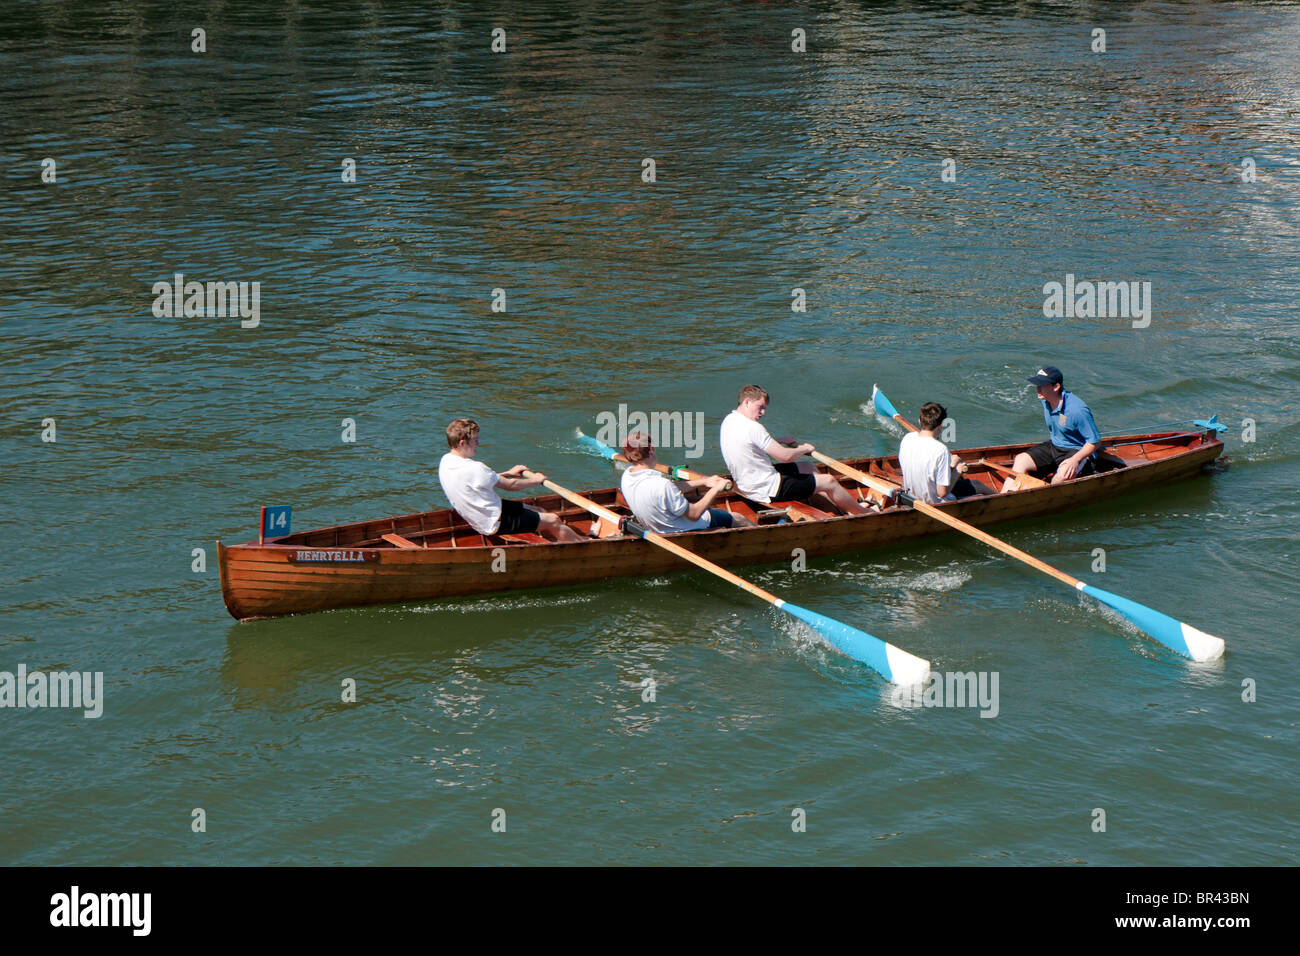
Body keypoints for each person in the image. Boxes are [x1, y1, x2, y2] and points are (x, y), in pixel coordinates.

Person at [719, 385, 871, 515]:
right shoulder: (753, 427)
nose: (763, 412)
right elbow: (785, 457)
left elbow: (749, 446)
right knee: (829, 481)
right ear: (747, 402)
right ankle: (863, 512)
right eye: (761, 407)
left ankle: (841, 505)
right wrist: (804, 448)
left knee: (808, 467)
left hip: (747, 482)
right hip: (767, 488)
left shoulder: (729, 420)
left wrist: (779, 441)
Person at [438, 418, 582, 542]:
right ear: (463, 443)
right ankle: (584, 542)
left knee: (539, 510)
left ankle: (558, 542)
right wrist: (537, 480)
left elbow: (479, 480)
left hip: (483, 516)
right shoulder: (476, 468)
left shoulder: (446, 462)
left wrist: (509, 472)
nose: (478, 444)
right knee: (553, 520)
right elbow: (511, 486)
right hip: (494, 521)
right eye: (475, 440)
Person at [619, 432, 754, 533]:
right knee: (737, 518)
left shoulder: (627, 476)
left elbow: (669, 489)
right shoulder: (661, 485)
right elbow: (693, 515)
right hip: (684, 529)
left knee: (712, 508)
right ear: (651, 449)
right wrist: (716, 488)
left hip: (657, 529)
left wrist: (705, 481)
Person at [1007, 366, 1101, 488]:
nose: (1037, 389)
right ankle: (1004, 496)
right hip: (1055, 446)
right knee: (1020, 460)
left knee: (1060, 478)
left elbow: (1095, 442)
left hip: (1078, 451)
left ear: (1056, 387)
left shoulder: (1077, 410)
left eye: (1041, 385)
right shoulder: (1045, 399)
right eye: (1037, 384)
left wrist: (1075, 460)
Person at [899, 402, 996, 504]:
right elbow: (942, 493)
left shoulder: (908, 438)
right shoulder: (941, 450)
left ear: (919, 421)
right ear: (940, 427)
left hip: (911, 497)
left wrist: (950, 466)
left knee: (975, 484)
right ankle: (1001, 499)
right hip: (935, 503)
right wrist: (957, 470)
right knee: (979, 489)